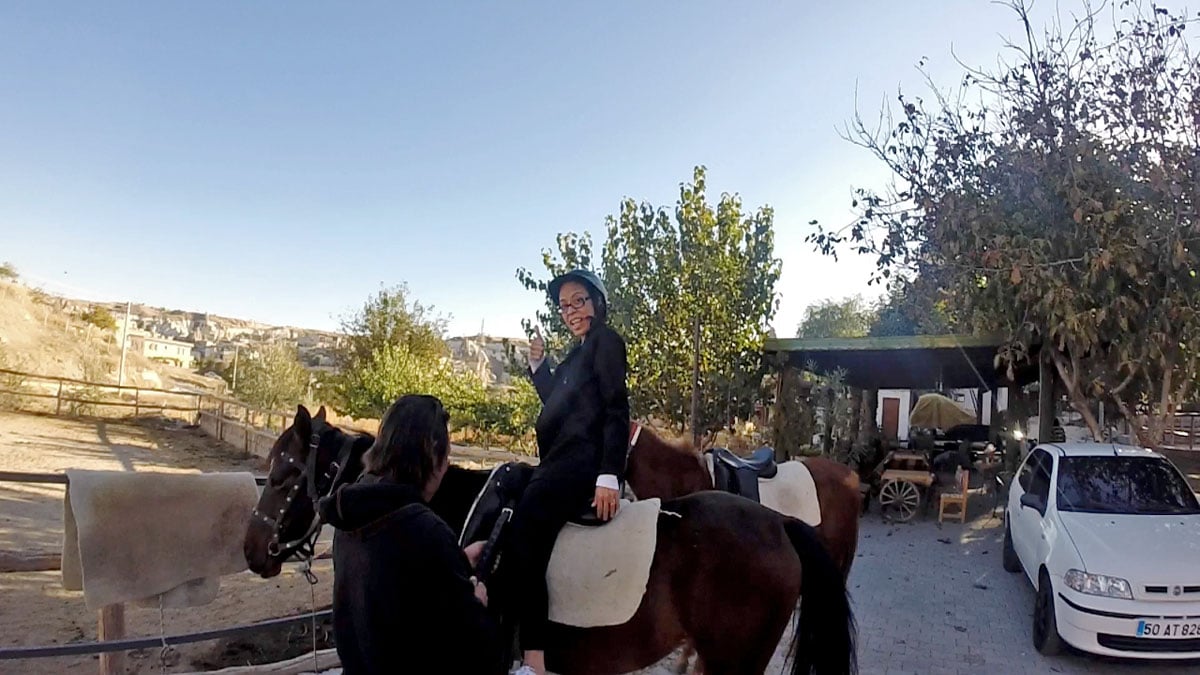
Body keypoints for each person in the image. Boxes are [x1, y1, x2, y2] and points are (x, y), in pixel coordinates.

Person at [318, 394, 502, 675]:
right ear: (433, 455)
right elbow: (480, 655)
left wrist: (457, 560)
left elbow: (396, 586)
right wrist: (477, 601)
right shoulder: (426, 532)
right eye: (447, 457)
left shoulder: (349, 518)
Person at [506, 269, 630, 675]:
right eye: (564, 305)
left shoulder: (606, 343)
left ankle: (535, 660)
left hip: (581, 463)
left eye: (579, 300)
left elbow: (615, 406)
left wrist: (609, 473)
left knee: (525, 533)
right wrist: (540, 365)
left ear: (597, 301)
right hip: (558, 459)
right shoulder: (578, 354)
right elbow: (556, 404)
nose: (571, 311)